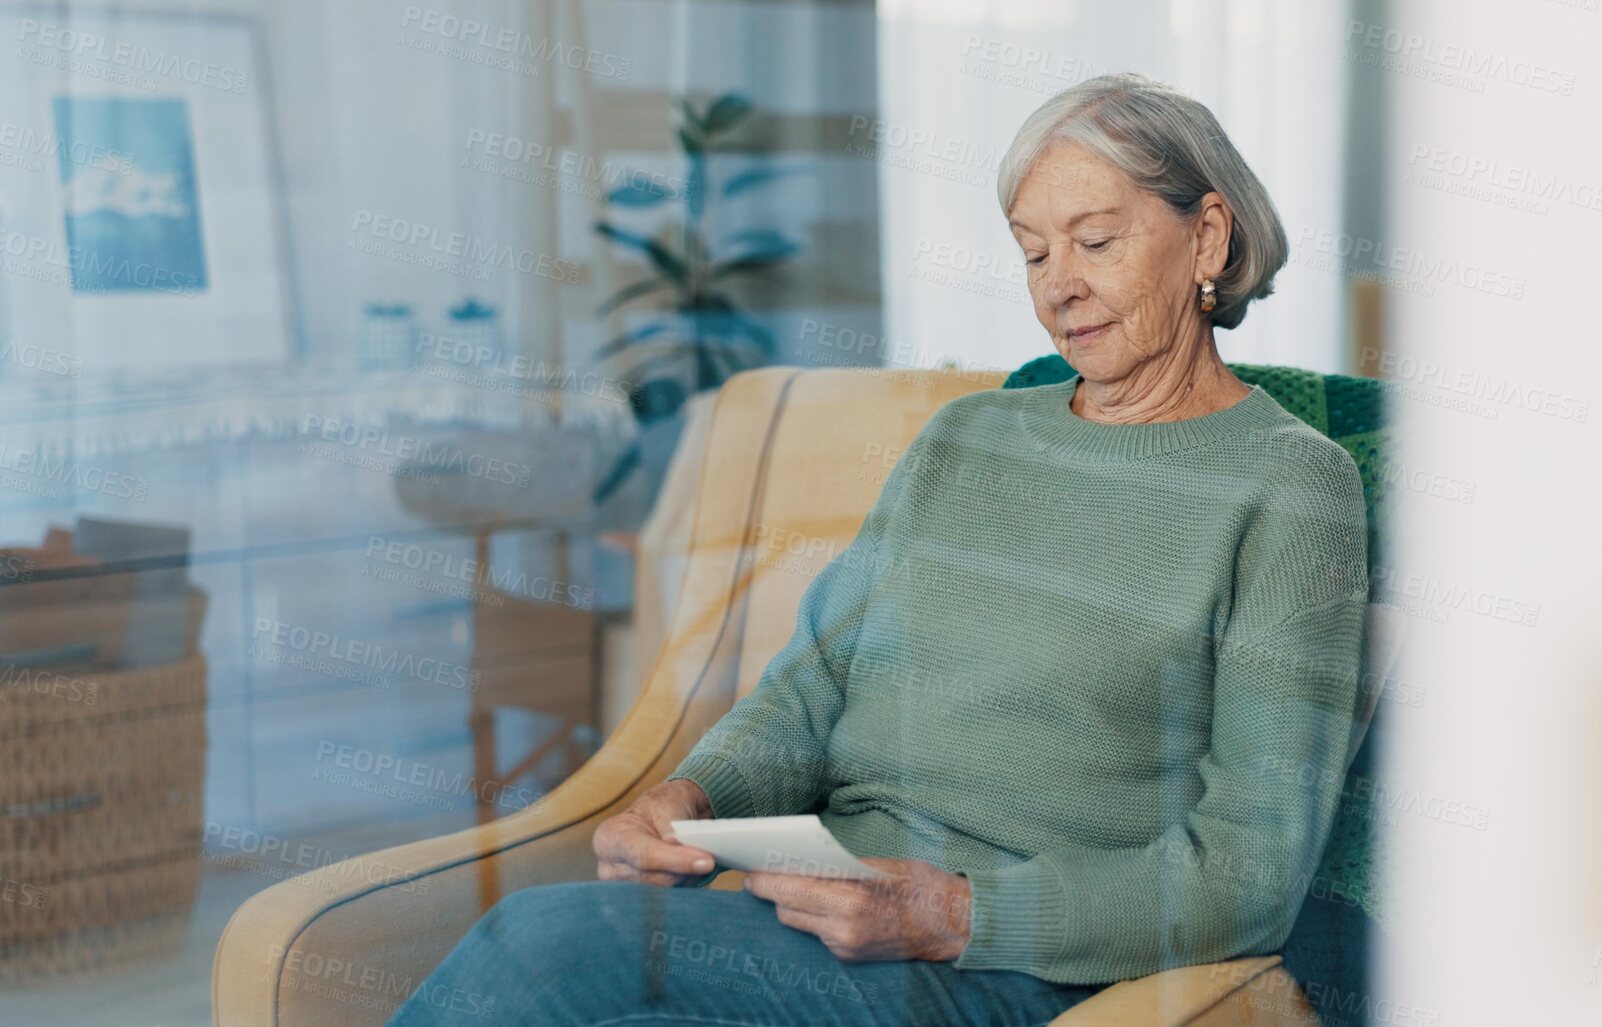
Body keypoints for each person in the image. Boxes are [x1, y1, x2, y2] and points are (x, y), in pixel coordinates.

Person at [390, 70, 1368, 1027]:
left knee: (539, 943)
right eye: (1032, 254)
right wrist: (693, 794)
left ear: (1207, 234)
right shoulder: (966, 438)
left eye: (1096, 240)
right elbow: (813, 685)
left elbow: (1248, 874)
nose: (1060, 286)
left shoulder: (1290, 485)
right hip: (813, 914)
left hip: (1006, 963)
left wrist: (954, 913)